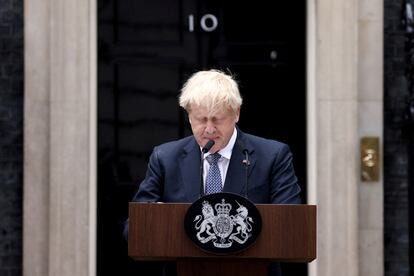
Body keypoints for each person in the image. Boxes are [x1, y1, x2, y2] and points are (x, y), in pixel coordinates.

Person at [126, 69, 302, 275]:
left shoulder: (273, 156)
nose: (209, 129)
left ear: (236, 113)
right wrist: (159, 220)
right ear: (189, 115)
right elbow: (133, 229)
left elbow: (290, 226)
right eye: (201, 119)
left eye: (217, 119)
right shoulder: (165, 158)